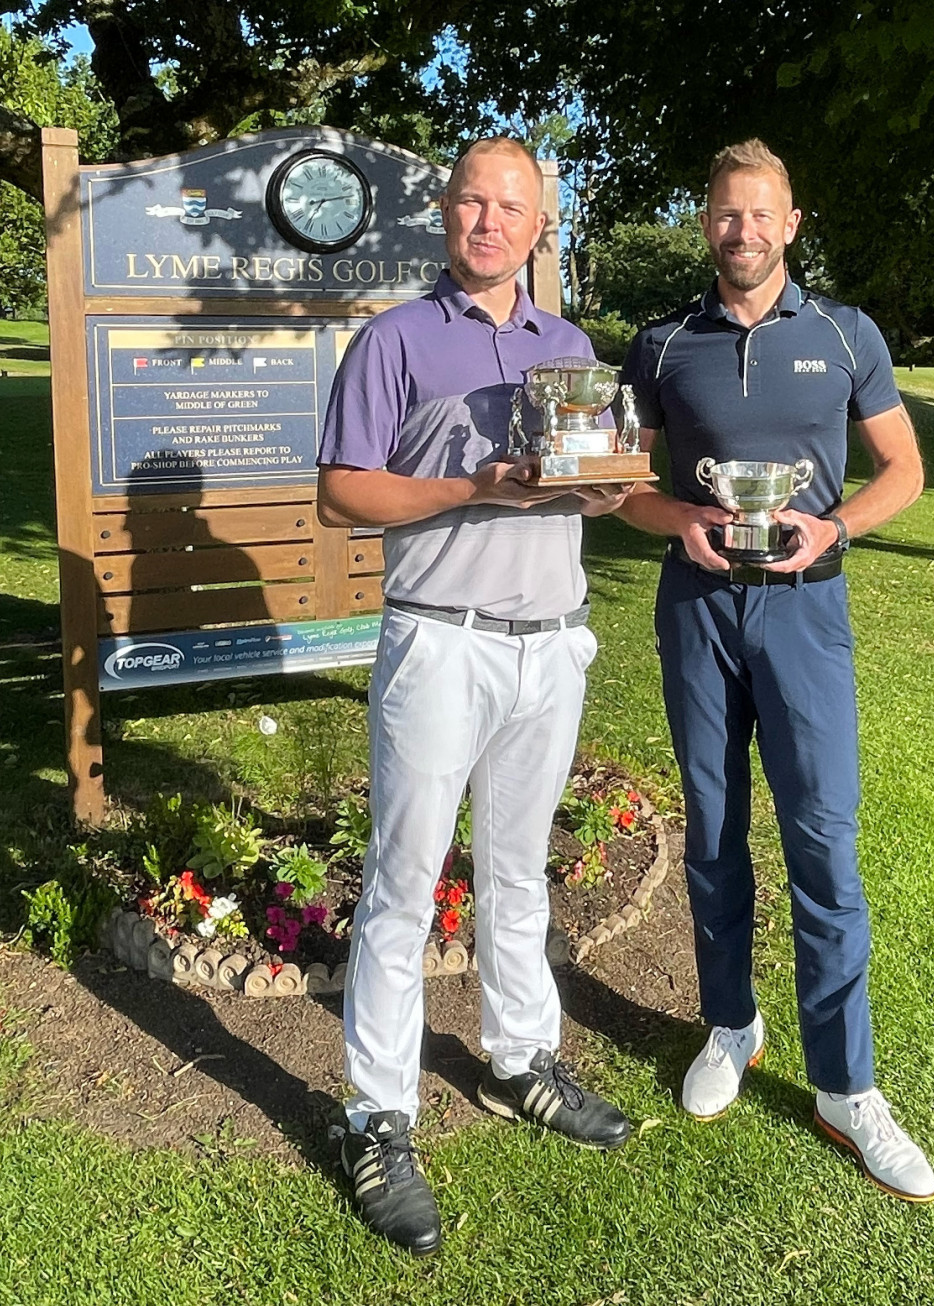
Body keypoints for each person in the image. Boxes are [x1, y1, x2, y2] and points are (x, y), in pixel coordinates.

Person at [316, 137, 632, 1256]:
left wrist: (599, 483)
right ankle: (378, 1116)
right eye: (469, 202)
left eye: (510, 206)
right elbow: (342, 492)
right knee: (403, 885)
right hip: (441, 642)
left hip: (550, 641)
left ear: (539, 225)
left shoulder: (569, 345)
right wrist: (469, 484)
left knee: (514, 871)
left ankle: (519, 1062)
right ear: (443, 215)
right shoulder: (393, 339)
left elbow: (583, 477)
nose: (487, 221)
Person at [617, 139, 934, 1203]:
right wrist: (685, 523)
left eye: (761, 215)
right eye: (724, 214)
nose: (742, 231)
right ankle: (732, 1025)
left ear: (790, 224)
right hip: (697, 607)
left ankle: (846, 1086)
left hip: (805, 613)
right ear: (703, 221)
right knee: (711, 832)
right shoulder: (661, 344)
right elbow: (620, 485)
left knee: (822, 841)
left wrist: (833, 528)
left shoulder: (845, 334)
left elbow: (905, 469)